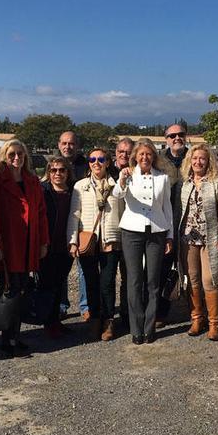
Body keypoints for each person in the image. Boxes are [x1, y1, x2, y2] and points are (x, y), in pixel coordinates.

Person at [0, 139, 50, 357]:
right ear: (4, 156)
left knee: (22, 289)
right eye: (12, 154)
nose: (16, 158)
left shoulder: (32, 181)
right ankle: (7, 339)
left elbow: (41, 213)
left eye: (20, 154)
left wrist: (43, 242)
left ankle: (15, 335)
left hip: (28, 243)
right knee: (8, 291)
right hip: (8, 245)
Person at [113, 139, 173, 344]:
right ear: (135, 157)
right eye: (141, 154)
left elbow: (167, 208)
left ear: (153, 157)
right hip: (132, 231)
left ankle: (149, 327)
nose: (145, 158)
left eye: (149, 154)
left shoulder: (163, 178)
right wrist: (121, 179)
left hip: (156, 232)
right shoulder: (128, 175)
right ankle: (135, 328)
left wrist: (170, 235)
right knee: (134, 280)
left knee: (152, 281)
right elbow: (117, 194)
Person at [67, 148, 123, 341]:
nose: (96, 162)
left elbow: (123, 213)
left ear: (108, 162)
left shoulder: (117, 186)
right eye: (92, 159)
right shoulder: (80, 186)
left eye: (100, 159)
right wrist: (72, 240)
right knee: (90, 282)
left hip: (110, 240)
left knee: (107, 283)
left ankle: (108, 320)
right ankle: (95, 319)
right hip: (87, 240)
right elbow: (74, 214)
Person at [176, 144, 218, 341]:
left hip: (210, 238)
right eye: (195, 158)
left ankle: (215, 323)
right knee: (193, 279)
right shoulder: (184, 184)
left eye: (202, 159)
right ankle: (197, 318)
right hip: (187, 238)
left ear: (208, 162)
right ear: (190, 161)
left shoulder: (216, 182)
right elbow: (178, 213)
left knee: (210, 279)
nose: (198, 162)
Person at [155, 123, 188, 327]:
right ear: (166, 139)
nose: (177, 138)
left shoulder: (194, 159)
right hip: (165, 223)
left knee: (192, 269)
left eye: (180, 135)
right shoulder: (158, 162)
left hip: (190, 222)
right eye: (172, 135)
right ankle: (159, 312)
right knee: (161, 270)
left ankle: (195, 310)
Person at [39, 157, 75, 338]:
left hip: (66, 246)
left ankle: (55, 321)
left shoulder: (73, 192)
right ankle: (47, 322)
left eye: (62, 170)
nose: (58, 174)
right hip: (47, 246)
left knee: (60, 284)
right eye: (54, 170)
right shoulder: (43, 191)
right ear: (48, 173)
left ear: (68, 172)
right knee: (47, 285)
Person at [57, 130, 86, 318]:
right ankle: (61, 305)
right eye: (64, 143)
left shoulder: (86, 165)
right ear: (59, 144)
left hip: (83, 222)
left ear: (77, 145)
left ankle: (85, 306)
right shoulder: (53, 164)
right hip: (59, 222)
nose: (68, 147)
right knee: (61, 268)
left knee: (83, 268)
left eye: (72, 143)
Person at [110, 137, 134, 330]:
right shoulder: (106, 170)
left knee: (129, 276)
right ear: (116, 152)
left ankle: (127, 313)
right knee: (108, 276)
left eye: (128, 151)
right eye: (121, 151)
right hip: (110, 231)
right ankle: (107, 316)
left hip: (131, 232)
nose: (124, 155)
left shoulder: (139, 172)